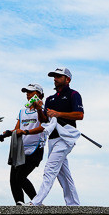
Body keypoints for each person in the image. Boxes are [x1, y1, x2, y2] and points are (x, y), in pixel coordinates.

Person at [32, 66, 84, 206]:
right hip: (53, 138)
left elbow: (79, 115)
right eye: (54, 76)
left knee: (50, 169)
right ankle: (73, 204)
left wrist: (58, 114)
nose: (55, 79)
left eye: (58, 76)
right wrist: (38, 109)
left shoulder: (74, 94)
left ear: (68, 79)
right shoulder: (50, 99)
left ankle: (36, 202)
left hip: (67, 137)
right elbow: (44, 120)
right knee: (63, 174)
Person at [9, 83, 47, 205]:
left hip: (36, 149)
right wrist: (9, 132)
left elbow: (43, 127)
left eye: (31, 92)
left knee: (20, 176)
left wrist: (26, 131)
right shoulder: (22, 111)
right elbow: (17, 128)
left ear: (39, 95)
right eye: (27, 92)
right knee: (13, 179)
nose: (28, 95)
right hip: (21, 149)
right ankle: (19, 204)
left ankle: (37, 203)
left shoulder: (44, 110)